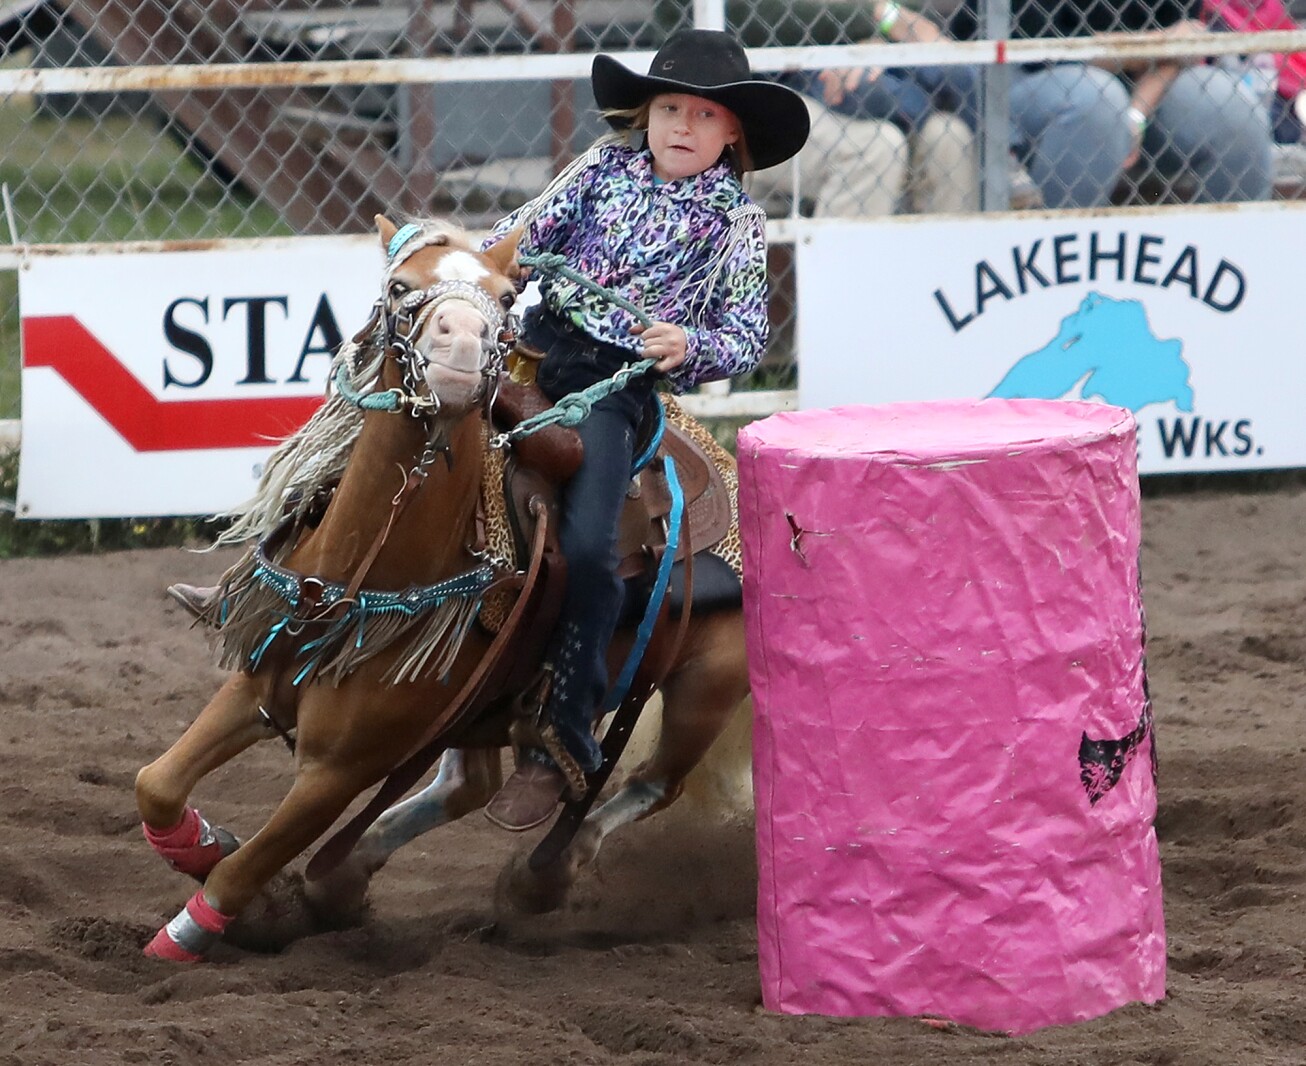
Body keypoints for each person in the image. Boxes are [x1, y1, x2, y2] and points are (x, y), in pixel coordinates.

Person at [478, 29, 811, 830]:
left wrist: (689, 345)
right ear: (646, 112)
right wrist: (492, 267)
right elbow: (523, 233)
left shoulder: (734, 220)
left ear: (734, 132)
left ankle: (562, 738)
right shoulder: (600, 168)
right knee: (401, 418)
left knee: (590, 546)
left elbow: (744, 335)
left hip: (613, 388)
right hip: (530, 350)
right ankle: (288, 584)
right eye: (669, 107)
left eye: (704, 114)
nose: (683, 125)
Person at [656, 0, 979, 215]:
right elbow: (742, 15)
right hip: (750, 100)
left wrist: (874, 44)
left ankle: (945, 299)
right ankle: (841, 308)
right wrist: (867, 20)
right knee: (875, 147)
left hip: (866, 80)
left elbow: (912, 19)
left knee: (950, 137)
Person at [946, 0, 1273, 207]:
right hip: (1015, 81)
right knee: (1097, 104)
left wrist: (1136, 115)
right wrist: (1156, 44)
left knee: (1232, 111)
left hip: (1142, 82)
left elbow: (1184, 45)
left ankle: (1226, 284)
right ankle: (1054, 276)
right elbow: (1047, 50)